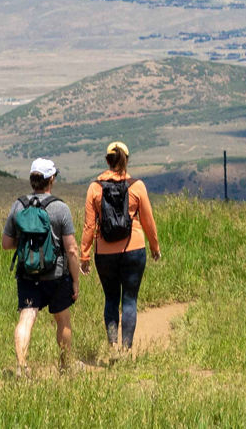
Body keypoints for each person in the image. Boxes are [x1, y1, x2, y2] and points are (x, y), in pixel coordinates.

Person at [77, 141, 162, 352]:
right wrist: (154, 247)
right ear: (127, 160)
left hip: (104, 252)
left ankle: (113, 345)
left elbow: (89, 226)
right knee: (130, 300)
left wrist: (84, 255)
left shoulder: (95, 188)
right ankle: (126, 349)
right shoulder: (137, 186)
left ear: (107, 160)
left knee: (111, 298)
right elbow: (148, 221)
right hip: (133, 248)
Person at [2, 158, 79, 373]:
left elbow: (6, 244)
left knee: (26, 318)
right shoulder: (60, 208)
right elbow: (71, 249)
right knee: (62, 319)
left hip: (27, 274)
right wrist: (75, 282)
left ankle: (21, 366)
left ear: (31, 180)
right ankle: (65, 366)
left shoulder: (18, 206)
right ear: (51, 179)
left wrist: (28, 245)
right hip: (56, 275)